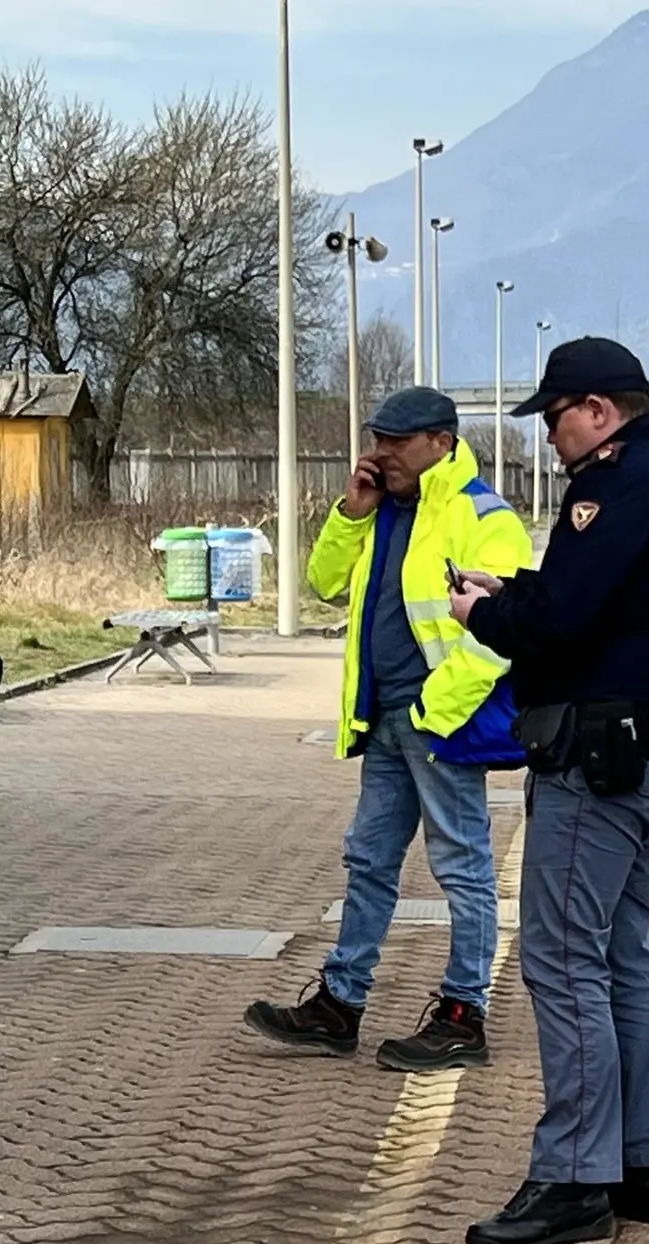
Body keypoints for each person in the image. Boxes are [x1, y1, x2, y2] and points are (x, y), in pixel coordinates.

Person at [451, 337, 649, 1244]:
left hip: (602, 758)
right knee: (623, 955)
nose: (549, 436)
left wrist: (487, 613)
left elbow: (560, 624)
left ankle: (572, 1177)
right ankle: (644, 1166)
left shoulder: (613, 486)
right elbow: (601, 601)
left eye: (553, 417)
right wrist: (515, 589)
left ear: (598, 409)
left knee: (561, 958)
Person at [245, 388, 532, 1068]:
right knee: (368, 860)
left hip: (440, 723)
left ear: (440, 441)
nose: (379, 454)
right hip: (383, 721)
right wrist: (349, 512)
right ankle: (338, 1007)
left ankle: (464, 1014)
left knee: (461, 867)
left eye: (394, 443)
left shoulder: (483, 517)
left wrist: (439, 708)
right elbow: (321, 582)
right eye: (376, 439)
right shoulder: (379, 511)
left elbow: (505, 632)